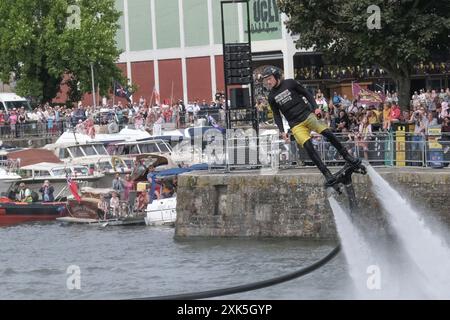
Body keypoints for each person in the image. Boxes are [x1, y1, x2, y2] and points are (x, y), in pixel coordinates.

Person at [261, 66, 364, 186]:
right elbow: (276, 115)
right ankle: (326, 173)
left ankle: (348, 157)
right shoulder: (271, 96)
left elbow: (307, 94)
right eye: (266, 80)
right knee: (308, 146)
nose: (268, 82)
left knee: (327, 133)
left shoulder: (290, 83)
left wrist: (315, 108)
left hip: (307, 116)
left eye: (270, 78)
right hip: (295, 125)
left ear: (276, 76)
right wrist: (282, 131)